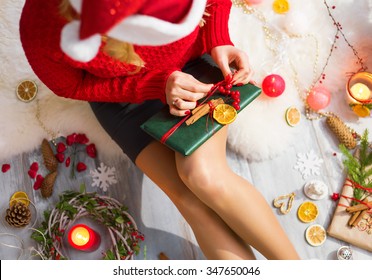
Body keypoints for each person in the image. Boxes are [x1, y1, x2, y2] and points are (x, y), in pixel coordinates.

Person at [20, 0, 299, 260]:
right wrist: (157, 85)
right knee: (189, 201)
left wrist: (217, 38)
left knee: (203, 176)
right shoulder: (43, 26)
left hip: (191, 65)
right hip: (122, 95)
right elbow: (71, 86)